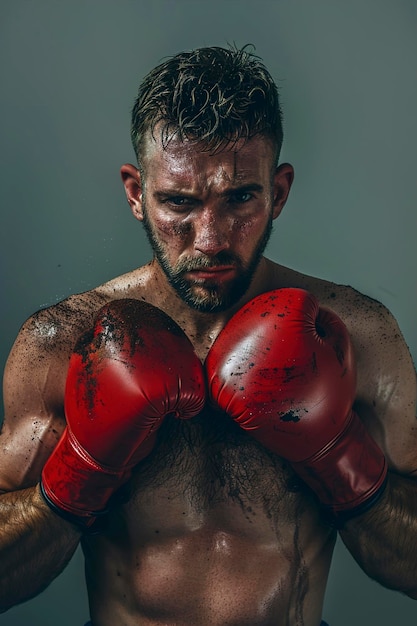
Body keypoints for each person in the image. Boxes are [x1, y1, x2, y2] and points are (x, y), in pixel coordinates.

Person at [0, 45, 416, 626]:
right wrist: (80, 471)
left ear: (280, 191)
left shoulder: (358, 336)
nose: (210, 240)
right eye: (178, 202)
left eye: (241, 197)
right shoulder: (62, 343)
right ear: (134, 193)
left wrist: (340, 455)